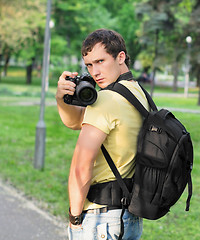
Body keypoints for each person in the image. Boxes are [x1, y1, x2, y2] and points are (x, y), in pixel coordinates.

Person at [55, 29, 147, 240]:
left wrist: (75, 219)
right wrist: (62, 99)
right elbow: (76, 121)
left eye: (100, 61)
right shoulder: (138, 93)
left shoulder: (106, 100)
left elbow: (81, 166)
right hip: (128, 218)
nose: (95, 72)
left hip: (101, 222)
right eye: (89, 65)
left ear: (120, 57)